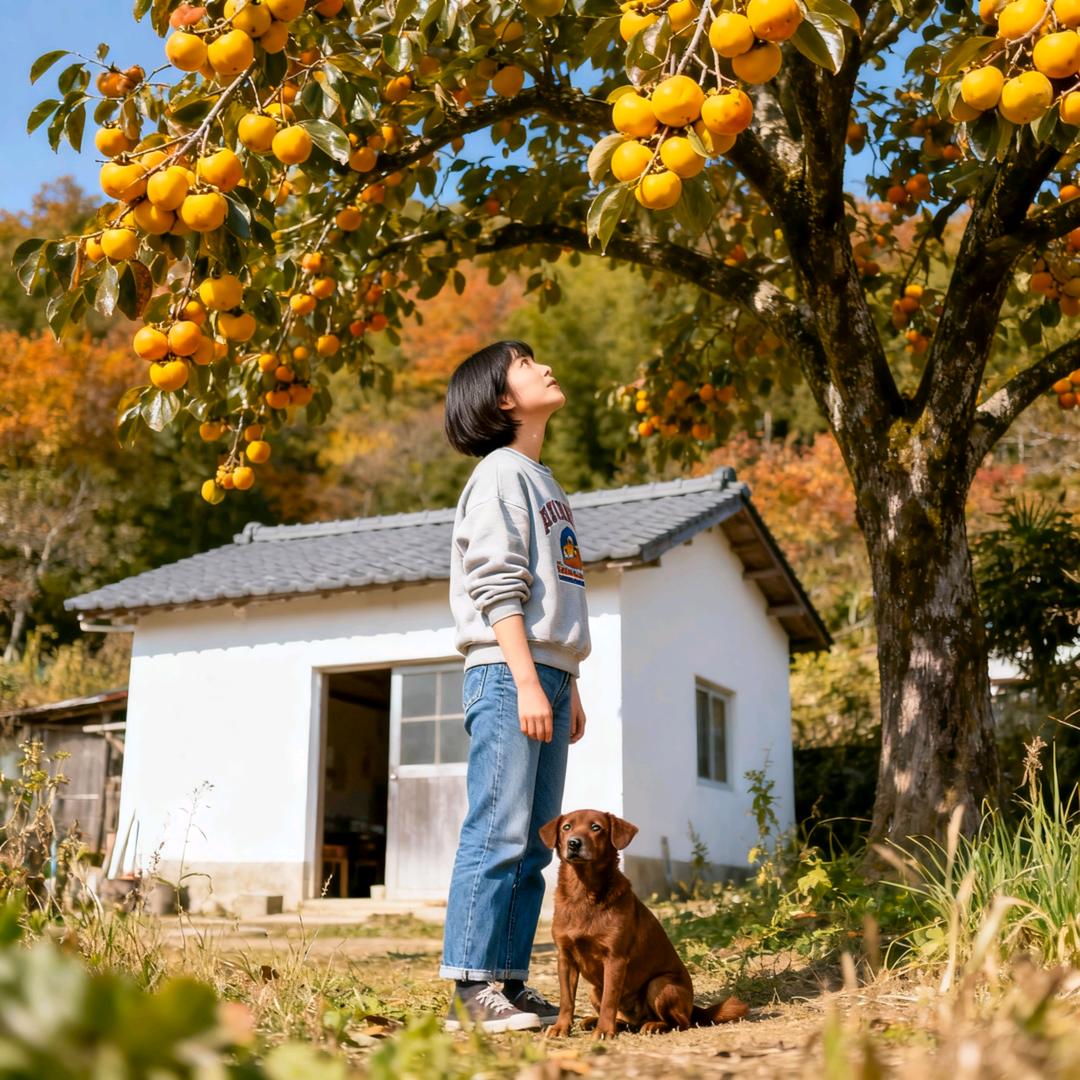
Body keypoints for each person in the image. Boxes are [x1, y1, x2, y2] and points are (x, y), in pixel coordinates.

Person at [439, 339, 590, 1033]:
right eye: (527, 364)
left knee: (534, 844)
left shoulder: (542, 479)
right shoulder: (500, 472)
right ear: (503, 400)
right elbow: (498, 586)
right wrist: (530, 680)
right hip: (508, 674)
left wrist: (568, 682)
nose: (545, 365)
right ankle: (471, 987)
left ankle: (508, 981)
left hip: (546, 675)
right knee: (496, 830)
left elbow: (554, 594)